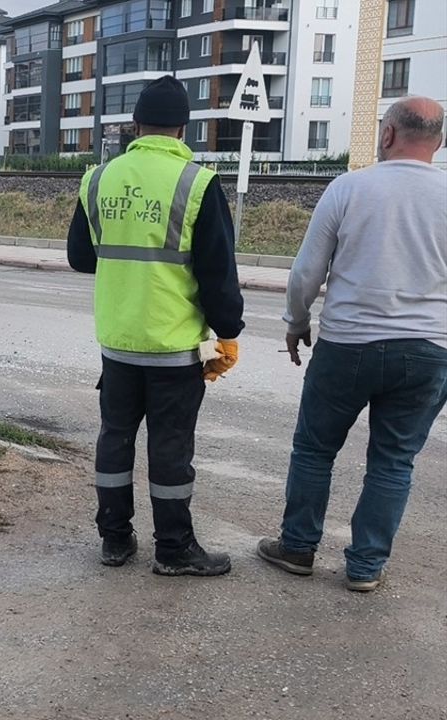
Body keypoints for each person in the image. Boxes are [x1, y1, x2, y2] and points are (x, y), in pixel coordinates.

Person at [256, 97, 447, 593]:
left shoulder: (349, 187)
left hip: (348, 345)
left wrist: (297, 322)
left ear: (387, 135)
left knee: (315, 449)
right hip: (428, 349)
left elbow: (306, 274)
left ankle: (297, 548)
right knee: (393, 460)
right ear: (439, 141)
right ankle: (365, 567)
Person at [66, 75, 245, 577]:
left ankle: (115, 540)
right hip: (173, 349)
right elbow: (218, 274)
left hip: (118, 344)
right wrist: (228, 333)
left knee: (115, 438)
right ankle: (173, 549)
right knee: (170, 448)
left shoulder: (98, 179)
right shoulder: (198, 184)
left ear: (136, 125)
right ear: (183, 130)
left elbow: (81, 257)